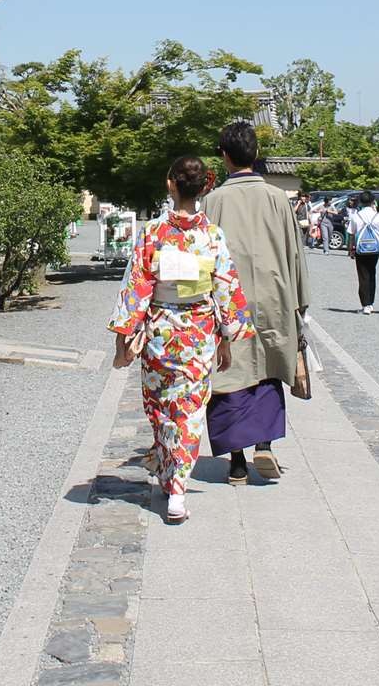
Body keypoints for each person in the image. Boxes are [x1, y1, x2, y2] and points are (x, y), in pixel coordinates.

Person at [109, 155, 252, 523]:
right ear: (205, 186)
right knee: (188, 412)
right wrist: (225, 339)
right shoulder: (212, 236)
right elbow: (226, 291)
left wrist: (124, 338)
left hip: (160, 331)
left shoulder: (153, 234)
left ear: (170, 183)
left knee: (161, 408)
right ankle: (177, 485)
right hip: (199, 334)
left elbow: (137, 287)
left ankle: (172, 480)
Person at [203, 121, 311, 485]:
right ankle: (264, 443)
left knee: (231, 375)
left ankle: (236, 462)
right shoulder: (278, 198)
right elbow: (296, 254)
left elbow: (204, 258)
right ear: (257, 155)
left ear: (224, 157)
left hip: (228, 299)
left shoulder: (213, 201)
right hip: (274, 296)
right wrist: (301, 301)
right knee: (267, 366)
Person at [345, 190, 379, 314]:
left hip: (361, 249)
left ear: (361, 202)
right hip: (374, 249)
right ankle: (371, 303)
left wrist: (350, 249)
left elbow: (351, 235)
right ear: (372, 201)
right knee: (372, 274)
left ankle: (365, 305)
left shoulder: (356, 217)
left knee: (363, 276)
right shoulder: (378, 217)